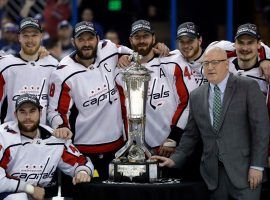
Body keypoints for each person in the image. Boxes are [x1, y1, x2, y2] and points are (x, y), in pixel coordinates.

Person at [47, 21, 169, 199]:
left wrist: (155, 48)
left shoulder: (109, 48)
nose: (86, 43)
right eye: (81, 39)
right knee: (79, 196)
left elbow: (136, 53)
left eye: (90, 38)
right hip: (83, 151)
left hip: (117, 149)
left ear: (98, 39)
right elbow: (55, 111)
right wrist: (61, 125)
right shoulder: (63, 72)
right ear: (73, 42)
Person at [153, 47, 270, 200]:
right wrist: (175, 159)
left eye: (215, 62)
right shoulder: (196, 95)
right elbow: (190, 135)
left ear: (226, 64)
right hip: (213, 177)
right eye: (206, 63)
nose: (210, 67)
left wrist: (257, 166)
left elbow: (261, 129)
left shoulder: (247, 86)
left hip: (246, 173)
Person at [118, 19, 197, 157]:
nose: (142, 40)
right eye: (137, 37)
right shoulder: (122, 70)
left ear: (154, 38)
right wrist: (123, 56)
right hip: (139, 152)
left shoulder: (171, 61)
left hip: (173, 146)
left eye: (146, 36)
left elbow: (186, 101)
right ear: (131, 40)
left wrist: (174, 137)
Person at [0, 93, 93, 200]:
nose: (28, 117)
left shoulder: (55, 138)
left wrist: (82, 172)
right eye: (23, 112)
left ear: (40, 113)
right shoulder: (3, 136)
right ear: (15, 115)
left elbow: (81, 162)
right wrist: (30, 189)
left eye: (32, 111)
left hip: (40, 195)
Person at [0, 17, 59, 125]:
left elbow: (56, 107)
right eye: (25, 35)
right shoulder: (5, 65)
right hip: (11, 136)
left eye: (34, 35)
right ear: (19, 37)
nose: (30, 40)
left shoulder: (53, 65)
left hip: (42, 136)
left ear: (41, 36)